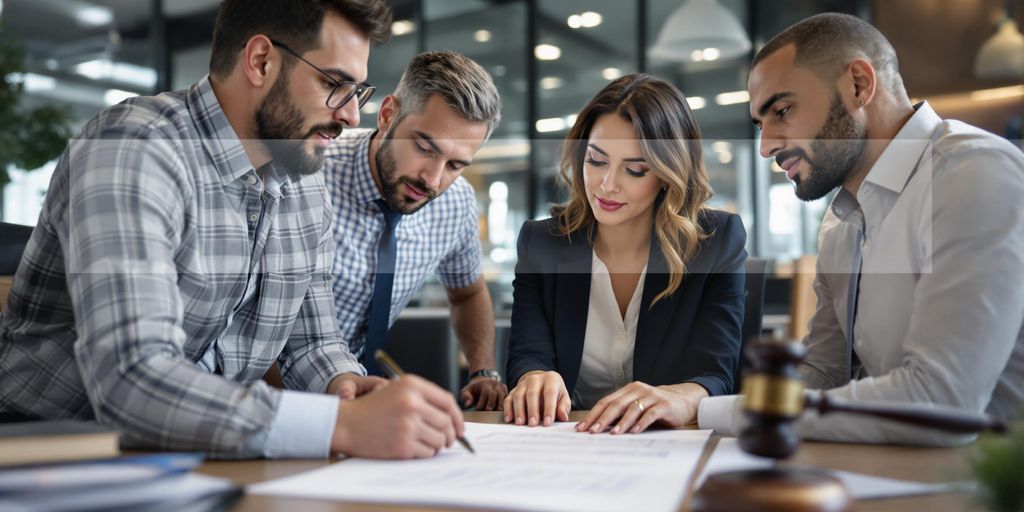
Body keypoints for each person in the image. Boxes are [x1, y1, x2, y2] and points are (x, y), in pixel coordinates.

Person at [0, 0, 467, 460]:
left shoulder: (304, 185)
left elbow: (313, 343)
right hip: (43, 456)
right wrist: (339, 426)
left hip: (196, 456)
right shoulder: (134, 148)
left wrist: (346, 386)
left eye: (357, 92)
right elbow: (132, 376)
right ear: (260, 61)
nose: (350, 116)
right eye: (334, 84)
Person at [698, 13, 1024, 446]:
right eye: (761, 124)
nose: (766, 146)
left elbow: (942, 402)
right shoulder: (840, 222)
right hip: (899, 469)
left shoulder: (972, 173)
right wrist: (693, 401)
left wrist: (714, 410)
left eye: (783, 110)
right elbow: (823, 374)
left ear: (858, 85)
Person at [504, 74, 747, 433]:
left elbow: (715, 373)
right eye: (596, 161)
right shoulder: (540, 242)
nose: (607, 185)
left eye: (635, 170)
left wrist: (683, 397)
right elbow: (529, 353)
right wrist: (535, 377)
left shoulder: (716, 241)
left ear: (669, 173)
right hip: (567, 441)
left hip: (669, 443)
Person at [320, 51, 507, 410]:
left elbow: (467, 294)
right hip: (276, 391)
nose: (433, 180)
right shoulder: (315, 172)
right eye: (424, 147)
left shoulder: (456, 203)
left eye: (455, 165)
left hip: (360, 397)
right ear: (388, 114)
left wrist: (483, 370)